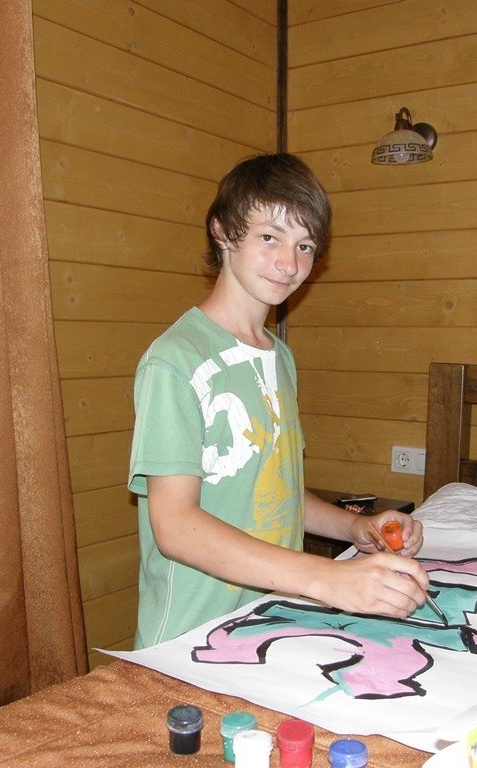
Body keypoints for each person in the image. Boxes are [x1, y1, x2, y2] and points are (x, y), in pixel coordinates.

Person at [128, 153, 427, 648]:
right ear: (223, 232)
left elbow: (274, 490)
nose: (290, 264)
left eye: (305, 246)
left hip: (267, 624)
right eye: (270, 237)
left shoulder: (279, 357)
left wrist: (356, 528)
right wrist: (326, 578)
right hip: (190, 640)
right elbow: (175, 525)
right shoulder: (175, 361)